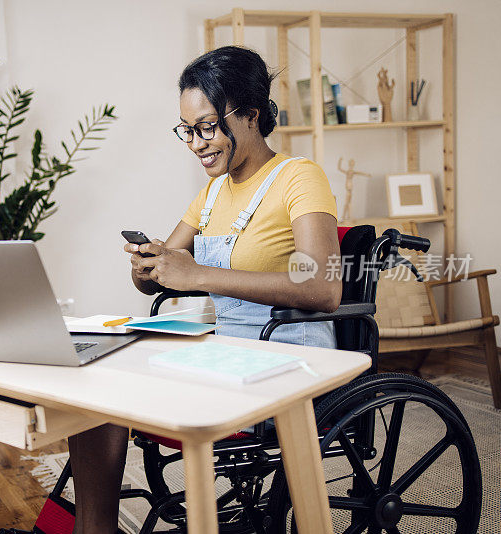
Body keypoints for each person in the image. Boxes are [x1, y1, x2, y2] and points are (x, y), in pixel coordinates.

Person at [67, 45, 341, 534]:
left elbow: (322, 287)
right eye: (187, 131)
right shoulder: (212, 193)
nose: (196, 143)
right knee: (97, 381)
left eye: (207, 127)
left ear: (251, 115)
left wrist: (196, 276)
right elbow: (159, 272)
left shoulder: (300, 178)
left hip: (287, 353)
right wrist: (148, 264)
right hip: (225, 348)